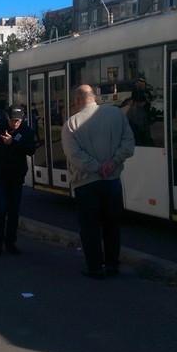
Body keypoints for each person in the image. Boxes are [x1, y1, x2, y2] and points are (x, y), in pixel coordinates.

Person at [61, 85, 135, 279]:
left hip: (85, 184)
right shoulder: (116, 114)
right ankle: (112, 264)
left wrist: (96, 167)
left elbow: (74, 155)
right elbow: (128, 145)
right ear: (94, 97)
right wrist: (112, 163)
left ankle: (95, 267)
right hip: (112, 180)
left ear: (77, 101)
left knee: (90, 228)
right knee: (112, 225)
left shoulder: (71, 124)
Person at [0, 105, 36, 255]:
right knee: (1, 209)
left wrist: (14, 142)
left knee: (14, 211)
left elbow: (31, 149)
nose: (15, 123)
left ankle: (11, 242)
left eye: (18, 120)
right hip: (0, 175)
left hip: (16, 176)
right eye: (13, 120)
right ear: (7, 117)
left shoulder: (25, 131)